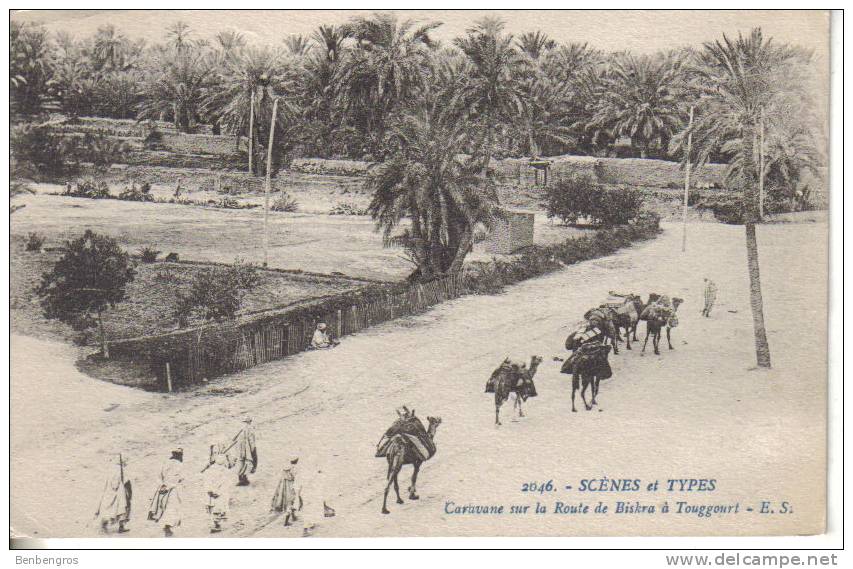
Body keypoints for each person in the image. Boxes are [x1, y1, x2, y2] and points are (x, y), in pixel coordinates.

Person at [147, 448, 184, 537]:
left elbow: (158, 476)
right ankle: (168, 527)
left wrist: (162, 485)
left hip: (162, 489)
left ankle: (166, 526)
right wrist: (169, 486)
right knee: (171, 508)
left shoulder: (165, 463)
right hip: (173, 490)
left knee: (163, 507)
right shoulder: (179, 464)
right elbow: (179, 478)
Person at [94, 454, 132, 534]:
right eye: (125, 462)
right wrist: (120, 485)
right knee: (116, 510)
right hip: (117, 494)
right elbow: (115, 484)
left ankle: (121, 527)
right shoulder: (117, 469)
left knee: (122, 510)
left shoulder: (118, 468)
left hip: (120, 493)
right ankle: (104, 526)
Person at [204, 451, 231, 534]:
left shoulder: (209, 470)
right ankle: (216, 525)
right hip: (220, 494)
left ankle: (215, 524)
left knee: (213, 509)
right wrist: (218, 492)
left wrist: (210, 491)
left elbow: (206, 482)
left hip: (211, 494)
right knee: (218, 509)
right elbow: (226, 484)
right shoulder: (225, 471)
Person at [271, 456, 301, 527]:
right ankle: (286, 522)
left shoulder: (285, 469)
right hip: (291, 487)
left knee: (289, 502)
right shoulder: (294, 469)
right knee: (292, 502)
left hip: (284, 488)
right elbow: (296, 478)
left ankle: (293, 516)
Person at [235, 417, 257, 486]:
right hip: (246, 448)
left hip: (240, 449)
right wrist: (253, 449)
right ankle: (244, 479)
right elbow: (251, 440)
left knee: (241, 462)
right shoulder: (250, 429)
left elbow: (235, 439)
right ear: (249, 421)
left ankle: (241, 479)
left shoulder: (240, 428)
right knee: (247, 463)